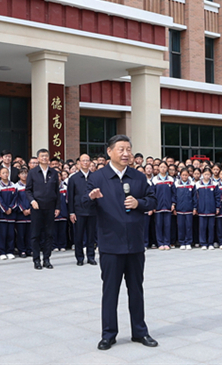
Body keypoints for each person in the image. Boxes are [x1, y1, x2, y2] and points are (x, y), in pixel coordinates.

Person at [85, 134, 158, 350]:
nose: (126, 153)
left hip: (135, 244)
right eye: (121, 149)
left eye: (129, 149)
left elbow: (152, 200)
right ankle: (108, 334)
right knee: (110, 291)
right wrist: (90, 198)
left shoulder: (138, 177)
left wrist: (139, 202)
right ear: (109, 152)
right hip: (110, 245)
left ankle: (140, 332)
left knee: (136, 289)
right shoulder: (97, 178)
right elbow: (81, 205)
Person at [26, 149, 59, 270]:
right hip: (37, 207)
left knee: (49, 234)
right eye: (42, 156)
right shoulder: (33, 172)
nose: (44, 158)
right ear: (38, 158)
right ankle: (36, 260)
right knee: (35, 234)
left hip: (50, 207)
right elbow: (28, 190)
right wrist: (32, 201)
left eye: (46, 156)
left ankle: (46, 259)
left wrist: (57, 207)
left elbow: (57, 191)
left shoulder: (54, 173)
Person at [68, 154, 97, 266]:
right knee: (78, 236)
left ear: (90, 162)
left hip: (92, 210)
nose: (85, 162)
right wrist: (71, 212)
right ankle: (79, 258)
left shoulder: (94, 177)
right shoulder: (74, 178)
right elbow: (70, 197)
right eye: (83, 161)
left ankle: (91, 257)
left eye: (87, 160)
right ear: (79, 162)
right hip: (79, 211)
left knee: (91, 236)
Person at [151, 164, 174, 250]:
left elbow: (173, 193)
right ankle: (160, 243)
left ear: (167, 168)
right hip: (158, 206)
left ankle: (167, 243)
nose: (163, 168)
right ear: (158, 168)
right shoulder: (155, 179)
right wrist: (153, 205)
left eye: (164, 167)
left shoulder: (171, 179)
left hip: (168, 206)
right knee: (158, 225)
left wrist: (173, 204)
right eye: (161, 167)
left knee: (167, 225)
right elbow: (152, 193)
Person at [173, 169, 196, 249]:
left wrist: (194, 208)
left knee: (189, 226)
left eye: (186, 175)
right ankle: (182, 242)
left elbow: (194, 197)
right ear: (180, 176)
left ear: (188, 175)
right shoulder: (176, 184)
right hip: (179, 209)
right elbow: (174, 196)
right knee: (181, 226)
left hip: (189, 209)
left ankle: (188, 242)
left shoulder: (192, 184)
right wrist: (174, 207)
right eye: (183, 175)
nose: (184, 176)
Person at [195, 170, 217, 250]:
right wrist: (196, 207)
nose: (207, 176)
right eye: (205, 174)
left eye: (208, 174)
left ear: (211, 175)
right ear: (202, 175)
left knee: (211, 227)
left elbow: (217, 197)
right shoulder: (197, 185)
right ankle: (203, 243)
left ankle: (210, 243)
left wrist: (217, 207)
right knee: (202, 227)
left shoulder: (214, 184)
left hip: (211, 210)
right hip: (201, 210)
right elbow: (195, 198)